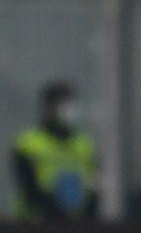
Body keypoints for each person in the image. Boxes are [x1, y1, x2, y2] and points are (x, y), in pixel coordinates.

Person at [12, 82, 97, 221]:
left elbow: (94, 183)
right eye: (64, 105)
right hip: (36, 221)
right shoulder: (27, 144)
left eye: (72, 105)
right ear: (49, 107)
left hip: (79, 223)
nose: (70, 110)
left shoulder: (85, 145)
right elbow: (28, 188)